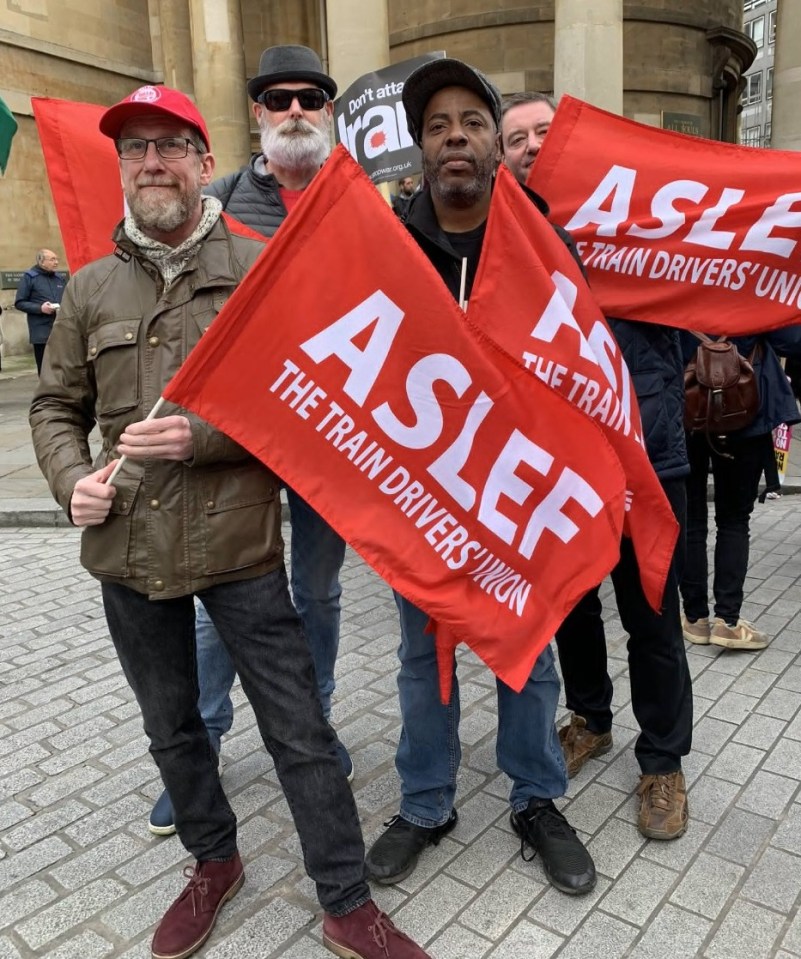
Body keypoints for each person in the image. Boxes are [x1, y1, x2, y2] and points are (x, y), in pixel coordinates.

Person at [29, 84, 431, 959]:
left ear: (204, 164)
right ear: (121, 169)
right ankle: (213, 860)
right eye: (133, 149)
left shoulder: (259, 268)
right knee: (172, 725)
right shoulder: (91, 286)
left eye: (169, 145)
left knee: (298, 728)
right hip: (127, 550)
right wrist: (70, 483)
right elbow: (55, 406)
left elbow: (305, 409)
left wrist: (202, 436)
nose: (150, 164)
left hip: (241, 546)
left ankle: (345, 897)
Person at [364, 59, 596, 897]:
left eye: (470, 121)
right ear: (420, 148)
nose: (453, 136)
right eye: (435, 125)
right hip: (422, 495)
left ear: (496, 141)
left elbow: (579, 370)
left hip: (518, 493)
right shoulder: (386, 244)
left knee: (527, 655)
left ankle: (536, 798)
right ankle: (426, 804)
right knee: (422, 658)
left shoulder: (542, 240)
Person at [147, 44, 352, 837]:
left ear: (326, 112)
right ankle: (200, 748)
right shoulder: (220, 202)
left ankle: (318, 729)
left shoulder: (359, 200)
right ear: (259, 115)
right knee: (223, 600)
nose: (293, 110)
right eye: (277, 99)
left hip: (332, 438)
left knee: (320, 594)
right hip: (240, 440)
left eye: (308, 97)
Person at [501, 92, 694, 841]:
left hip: (643, 460)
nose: (527, 146)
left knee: (650, 618)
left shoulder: (636, 227)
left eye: (541, 132)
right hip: (557, 468)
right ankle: (590, 717)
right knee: (575, 607)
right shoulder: (504, 241)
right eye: (514, 138)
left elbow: (692, 314)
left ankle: (663, 760)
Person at [680, 328, 801, 650]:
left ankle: (694, 618)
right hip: (748, 411)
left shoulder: (674, 279)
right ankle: (727, 621)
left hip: (687, 407)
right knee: (734, 521)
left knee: (692, 520)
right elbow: (792, 340)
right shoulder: (755, 280)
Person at [14, 249, 65, 374]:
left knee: (62, 367)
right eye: (52, 259)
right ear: (41, 262)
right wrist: (40, 308)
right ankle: (45, 392)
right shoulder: (30, 277)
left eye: (57, 259)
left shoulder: (59, 279)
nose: (56, 262)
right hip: (41, 332)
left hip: (61, 330)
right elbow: (19, 303)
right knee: (45, 369)